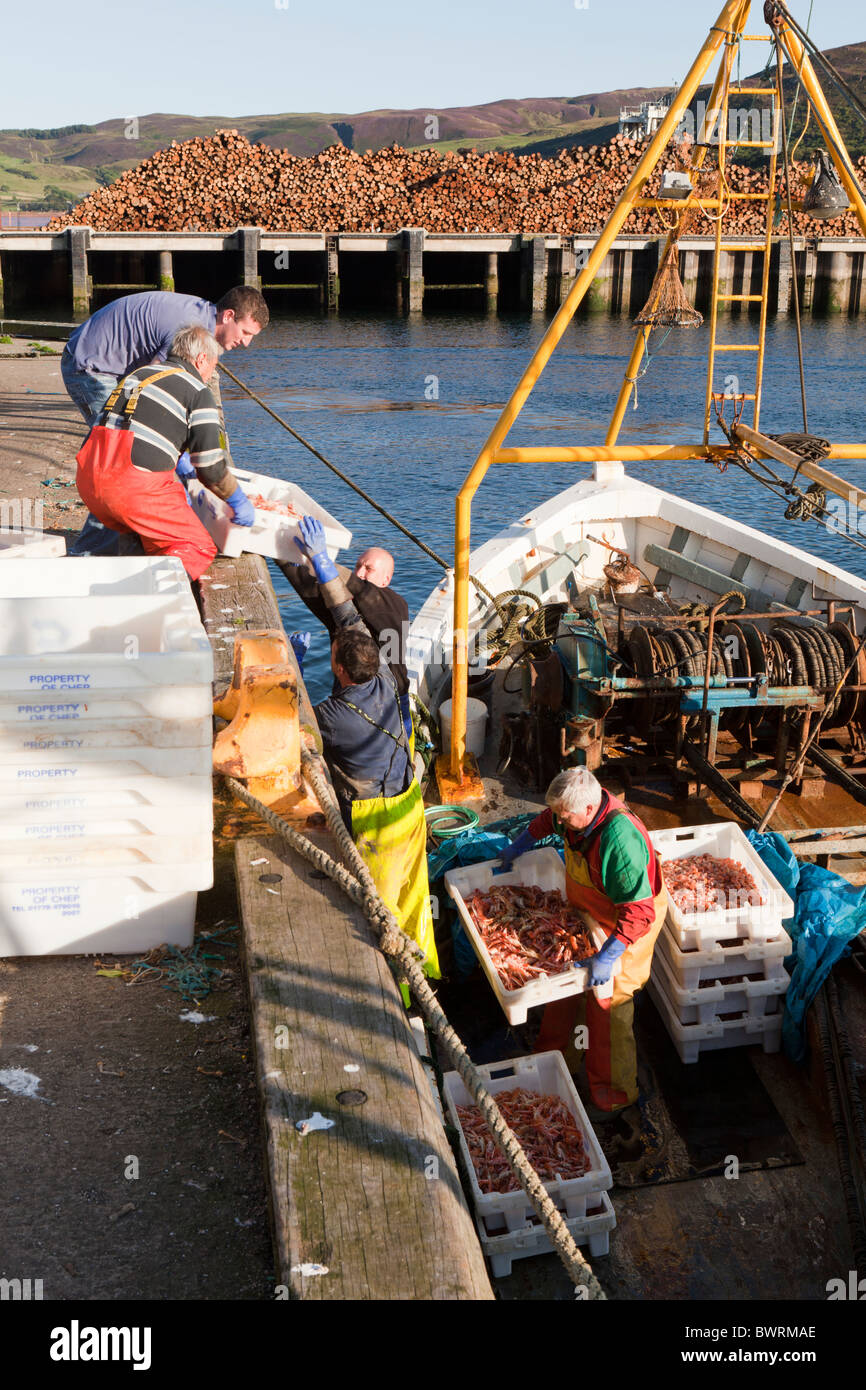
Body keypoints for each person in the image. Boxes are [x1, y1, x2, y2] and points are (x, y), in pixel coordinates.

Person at [293, 515, 439, 980]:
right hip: (411, 805)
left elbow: (293, 721)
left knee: (382, 912)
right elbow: (349, 616)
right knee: (415, 897)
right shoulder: (384, 674)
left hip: (377, 826)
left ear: (336, 670)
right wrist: (317, 561)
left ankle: (400, 987)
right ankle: (430, 971)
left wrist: (291, 668)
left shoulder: (332, 719)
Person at [499, 766, 667, 1114]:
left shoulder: (619, 843)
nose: (559, 819)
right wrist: (521, 844)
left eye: (566, 814)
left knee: (608, 1005)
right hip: (588, 914)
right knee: (564, 988)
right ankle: (557, 1059)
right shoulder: (573, 809)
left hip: (626, 925)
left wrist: (608, 955)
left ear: (589, 811)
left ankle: (613, 1095)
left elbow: (639, 913)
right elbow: (550, 819)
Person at [61, 285, 269, 553]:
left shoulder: (200, 323)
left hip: (111, 363)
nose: (247, 343)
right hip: (91, 367)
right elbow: (160, 384)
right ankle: (90, 551)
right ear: (228, 316)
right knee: (119, 461)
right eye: (246, 333)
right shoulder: (185, 330)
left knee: (133, 461)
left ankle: (129, 538)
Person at [74, 325, 254, 581]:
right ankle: (148, 597)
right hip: (131, 488)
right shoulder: (198, 391)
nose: (210, 375)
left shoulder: (138, 375)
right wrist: (238, 500)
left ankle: (124, 579)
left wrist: (177, 458)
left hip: (89, 478)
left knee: (139, 531)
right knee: (198, 547)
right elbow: (211, 468)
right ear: (201, 359)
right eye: (213, 366)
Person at [277, 543, 411, 740]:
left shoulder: (395, 608)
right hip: (345, 694)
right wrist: (280, 552)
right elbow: (310, 588)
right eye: (357, 566)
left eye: (369, 569)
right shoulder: (343, 610)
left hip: (390, 703)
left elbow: (362, 592)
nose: (360, 573)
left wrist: (322, 562)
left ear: (386, 580)